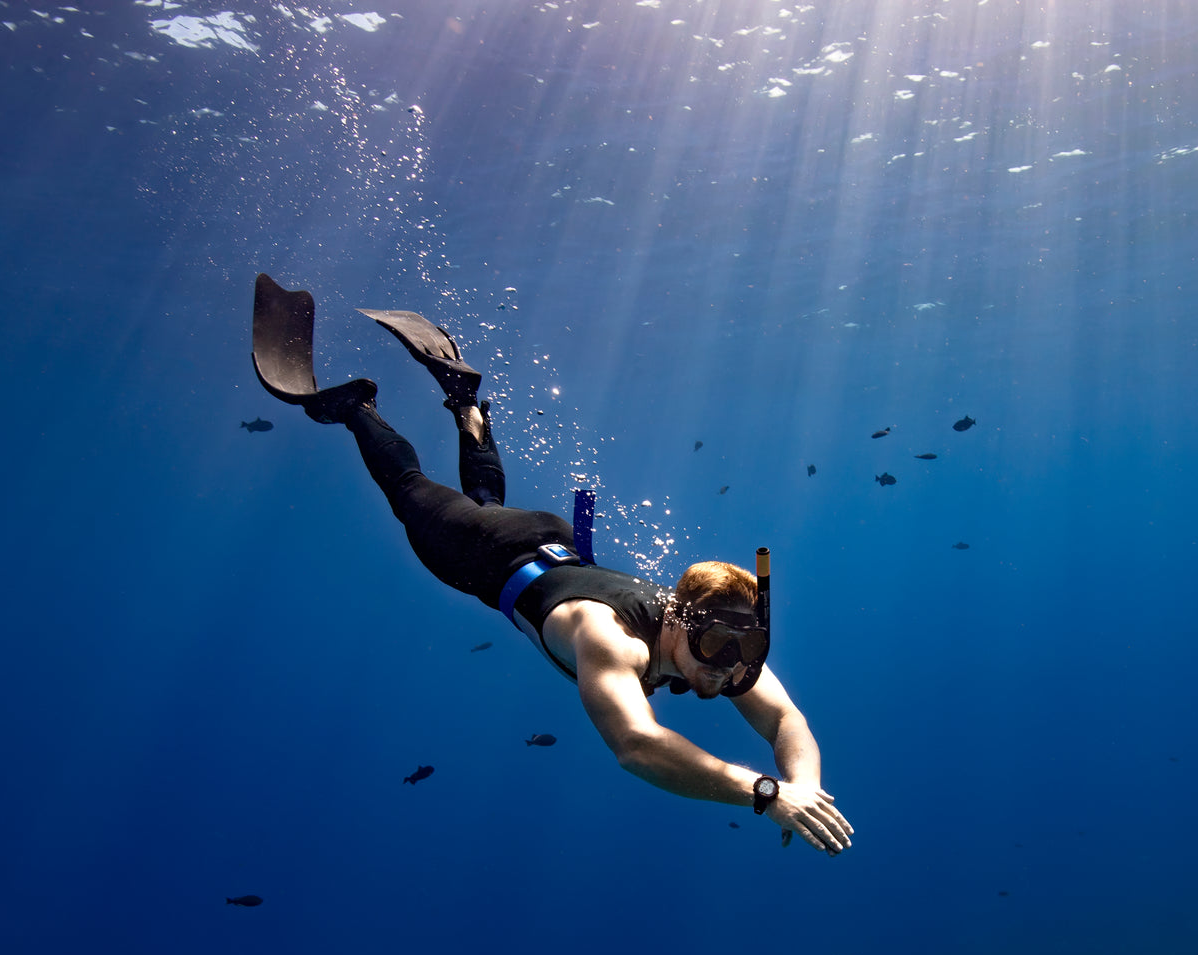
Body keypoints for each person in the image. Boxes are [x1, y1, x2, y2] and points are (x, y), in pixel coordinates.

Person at [250, 274, 853, 853]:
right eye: (720, 647)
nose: (730, 669)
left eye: (747, 651)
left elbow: (786, 721)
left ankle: (466, 406)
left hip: (553, 540)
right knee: (409, 490)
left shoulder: (721, 644)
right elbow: (638, 746)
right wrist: (767, 793)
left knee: (487, 501)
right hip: (485, 551)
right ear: (681, 620)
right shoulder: (610, 638)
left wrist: (804, 788)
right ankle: (355, 405)